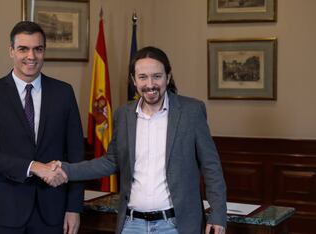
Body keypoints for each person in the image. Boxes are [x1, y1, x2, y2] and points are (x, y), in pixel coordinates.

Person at [52, 46, 227, 234]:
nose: (150, 84)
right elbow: (111, 161)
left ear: (168, 77)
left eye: (157, 76)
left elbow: (211, 166)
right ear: (134, 80)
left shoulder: (191, 111)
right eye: (143, 77)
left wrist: (218, 215)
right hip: (132, 224)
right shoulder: (123, 115)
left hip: (175, 226)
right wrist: (64, 168)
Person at [0, 21, 84, 234]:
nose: (31, 57)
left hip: (53, 212)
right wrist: (35, 167)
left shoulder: (64, 93)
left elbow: (76, 155)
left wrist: (74, 207)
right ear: (11, 51)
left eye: (38, 49)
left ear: (44, 52)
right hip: (2, 210)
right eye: (23, 49)